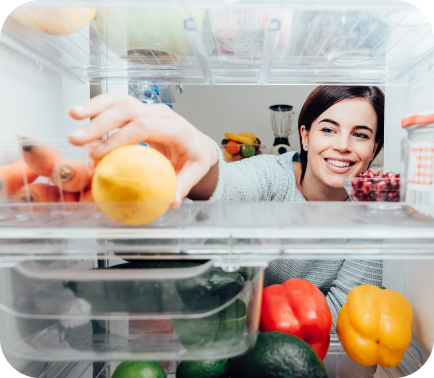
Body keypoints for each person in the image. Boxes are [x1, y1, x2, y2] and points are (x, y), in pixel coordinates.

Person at [68, 85, 384, 331]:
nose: (343, 145)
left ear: (374, 150)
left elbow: (349, 311)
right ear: (305, 136)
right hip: (232, 325)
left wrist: (269, 322)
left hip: (300, 341)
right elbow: (228, 185)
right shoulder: (273, 174)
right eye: (328, 129)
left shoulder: (371, 213)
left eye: (360, 135)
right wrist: (203, 155)